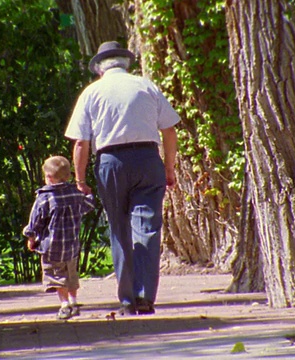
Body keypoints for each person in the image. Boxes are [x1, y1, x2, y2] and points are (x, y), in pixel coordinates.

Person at [64, 41, 180, 315]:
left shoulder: (91, 92)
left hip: (111, 162)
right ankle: (145, 297)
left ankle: (127, 299)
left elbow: (81, 142)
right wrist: (169, 169)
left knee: (118, 228)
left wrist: (80, 180)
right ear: (125, 63)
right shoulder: (145, 85)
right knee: (148, 228)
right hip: (148, 159)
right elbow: (170, 130)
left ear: (99, 68)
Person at [23, 155, 95, 320]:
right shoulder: (75, 195)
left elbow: (35, 221)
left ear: (48, 177)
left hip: (51, 246)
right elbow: (88, 206)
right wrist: (89, 194)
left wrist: (31, 237)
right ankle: (74, 301)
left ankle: (64, 305)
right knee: (71, 273)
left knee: (57, 276)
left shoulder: (44, 197)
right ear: (69, 176)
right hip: (72, 245)